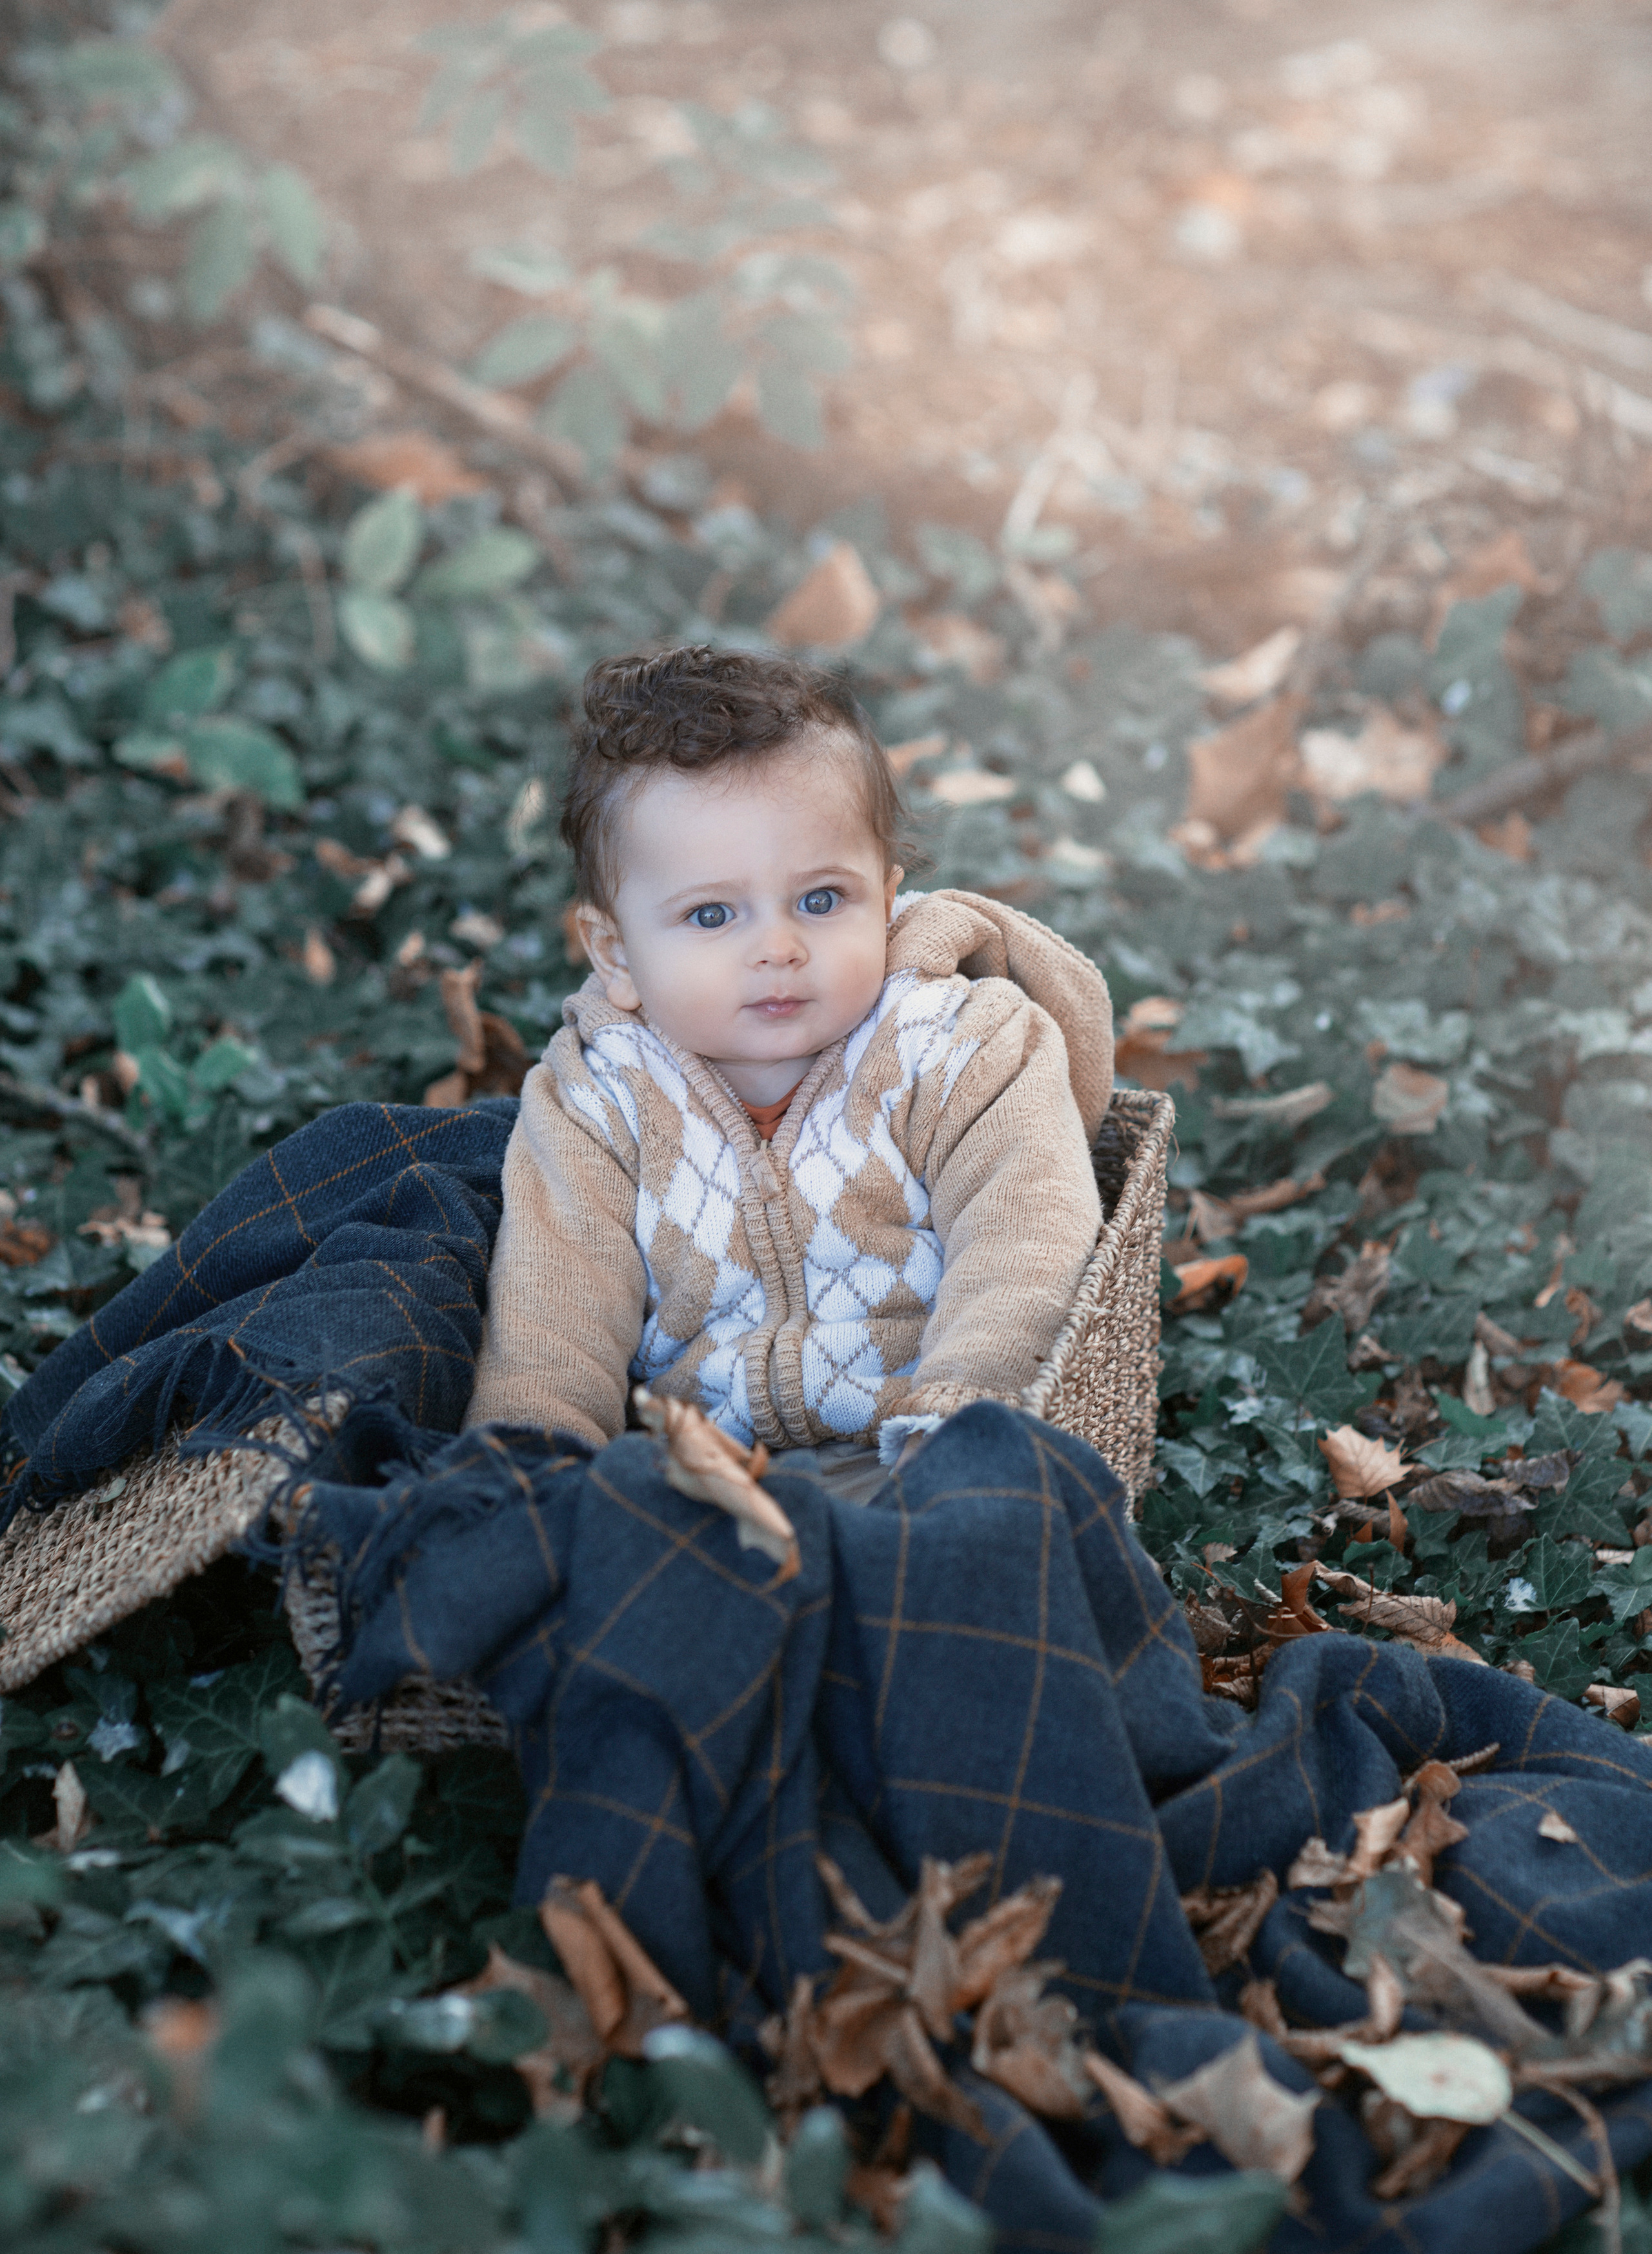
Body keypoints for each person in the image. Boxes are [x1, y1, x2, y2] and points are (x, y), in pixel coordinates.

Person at [465, 643, 1114, 1494]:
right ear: (616, 953)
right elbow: (553, 1317)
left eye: (820, 900)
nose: (777, 947)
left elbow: (1026, 1235)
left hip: (915, 1452)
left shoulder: (957, 1046)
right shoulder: (598, 1097)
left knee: (959, 1559)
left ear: (886, 899)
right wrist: (532, 1469)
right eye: (711, 913)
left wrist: (970, 1418)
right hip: (699, 1480)